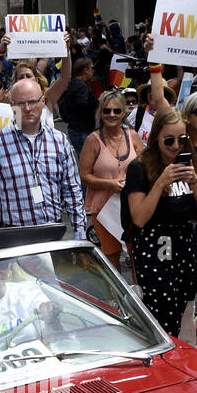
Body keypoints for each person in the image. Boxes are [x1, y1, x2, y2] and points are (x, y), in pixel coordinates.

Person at [121, 107, 197, 336]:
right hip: (154, 248)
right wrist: (161, 182)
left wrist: (195, 182)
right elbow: (140, 218)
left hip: (184, 245)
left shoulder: (190, 159)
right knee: (162, 315)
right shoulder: (140, 167)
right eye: (168, 140)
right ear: (156, 138)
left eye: (181, 139)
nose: (175, 146)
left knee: (182, 307)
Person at [0, 77, 87, 239]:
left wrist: (80, 237)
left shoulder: (60, 141)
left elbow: (73, 193)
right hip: (13, 238)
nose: (27, 108)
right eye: (21, 103)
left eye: (33, 102)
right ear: (11, 105)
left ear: (43, 102)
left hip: (53, 237)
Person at [78, 90, 143, 269]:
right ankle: (117, 296)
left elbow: (145, 167)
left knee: (136, 253)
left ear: (123, 112)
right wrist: (109, 184)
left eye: (116, 111)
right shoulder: (93, 140)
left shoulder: (133, 136)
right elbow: (84, 176)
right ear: (101, 113)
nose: (111, 115)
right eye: (107, 111)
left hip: (132, 206)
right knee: (111, 256)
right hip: (104, 208)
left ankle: (139, 295)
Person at [59, 58, 99, 156]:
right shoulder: (82, 87)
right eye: (92, 68)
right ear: (86, 70)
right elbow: (83, 106)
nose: (93, 71)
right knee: (88, 161)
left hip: (74, 129)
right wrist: (98, 101)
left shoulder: (73, 83)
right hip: (82, 131)